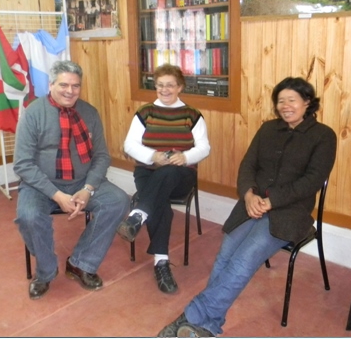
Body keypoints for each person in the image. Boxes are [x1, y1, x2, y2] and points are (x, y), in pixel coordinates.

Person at [157, 77, 337, 337]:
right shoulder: (268, 129)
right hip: (252, 204)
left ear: (307, 102)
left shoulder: (323, 136)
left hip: (289, 212)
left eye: (292, 100)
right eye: (281, 101)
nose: (285, 106)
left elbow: (312, 181)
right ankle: (208, 326)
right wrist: (249, 195)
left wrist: (272, 201)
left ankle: (192, 315)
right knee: (225, 257)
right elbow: (247, 166)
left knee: (243, 260)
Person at [13, 60, 128, 300]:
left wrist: (88, 189)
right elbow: (23, 164)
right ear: (52, 84)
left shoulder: (89, 113)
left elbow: (102, 156)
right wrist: (56, 195)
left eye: (75, 86)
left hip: (82, 182)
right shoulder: (34, 113)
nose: (70, 91)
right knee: (29, 216)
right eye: (63, 84)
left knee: (118, 201)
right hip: (41, 185)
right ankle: (46, 271)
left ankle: (81, 263)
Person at [117, 64, 210, 294]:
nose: (165, 89)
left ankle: (138, 214)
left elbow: (204, 147)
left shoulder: (192, 115)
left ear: (180, 87)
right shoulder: (145, 112)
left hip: (181, 174)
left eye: (170, 85)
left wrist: (185, 156)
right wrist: (152, 156)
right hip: (147, 171)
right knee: (161, 205)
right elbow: (129, 145)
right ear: (155, 86)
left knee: (168, 170)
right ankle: (161, 261)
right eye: (160, 85)